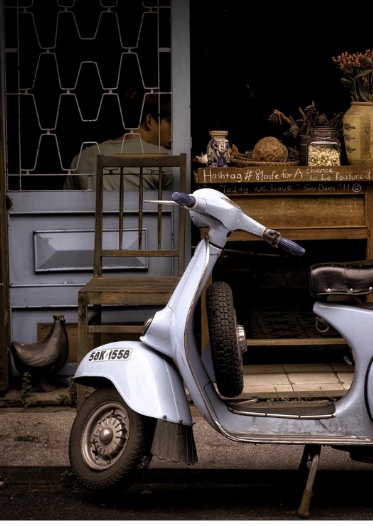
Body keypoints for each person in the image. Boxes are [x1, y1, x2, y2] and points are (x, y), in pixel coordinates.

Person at [64, 89, 173, 190]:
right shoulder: (167, 159)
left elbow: (65, 207)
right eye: (169, 122)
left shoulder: (81, 159)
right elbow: (180, 207)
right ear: (149, 120)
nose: (172, 130)